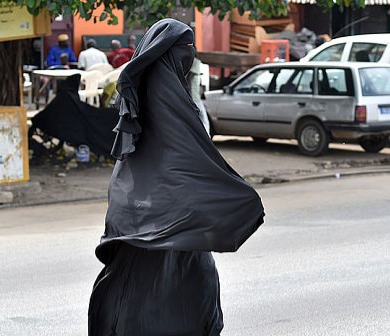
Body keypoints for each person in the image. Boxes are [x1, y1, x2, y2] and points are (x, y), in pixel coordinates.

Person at [88, 18, 265, 335]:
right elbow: (193, 168)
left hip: (157, 236)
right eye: (185, 50)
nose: (191, 55)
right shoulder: (180, 112)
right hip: (171, 239)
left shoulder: (141, 106)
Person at [187, 57, 210, 135]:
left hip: (195, 96)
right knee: (203, 119)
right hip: (194, 97)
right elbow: (190, 78)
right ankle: (206, 136)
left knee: (201, 118)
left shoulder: (194, 62)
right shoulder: (195, 62)